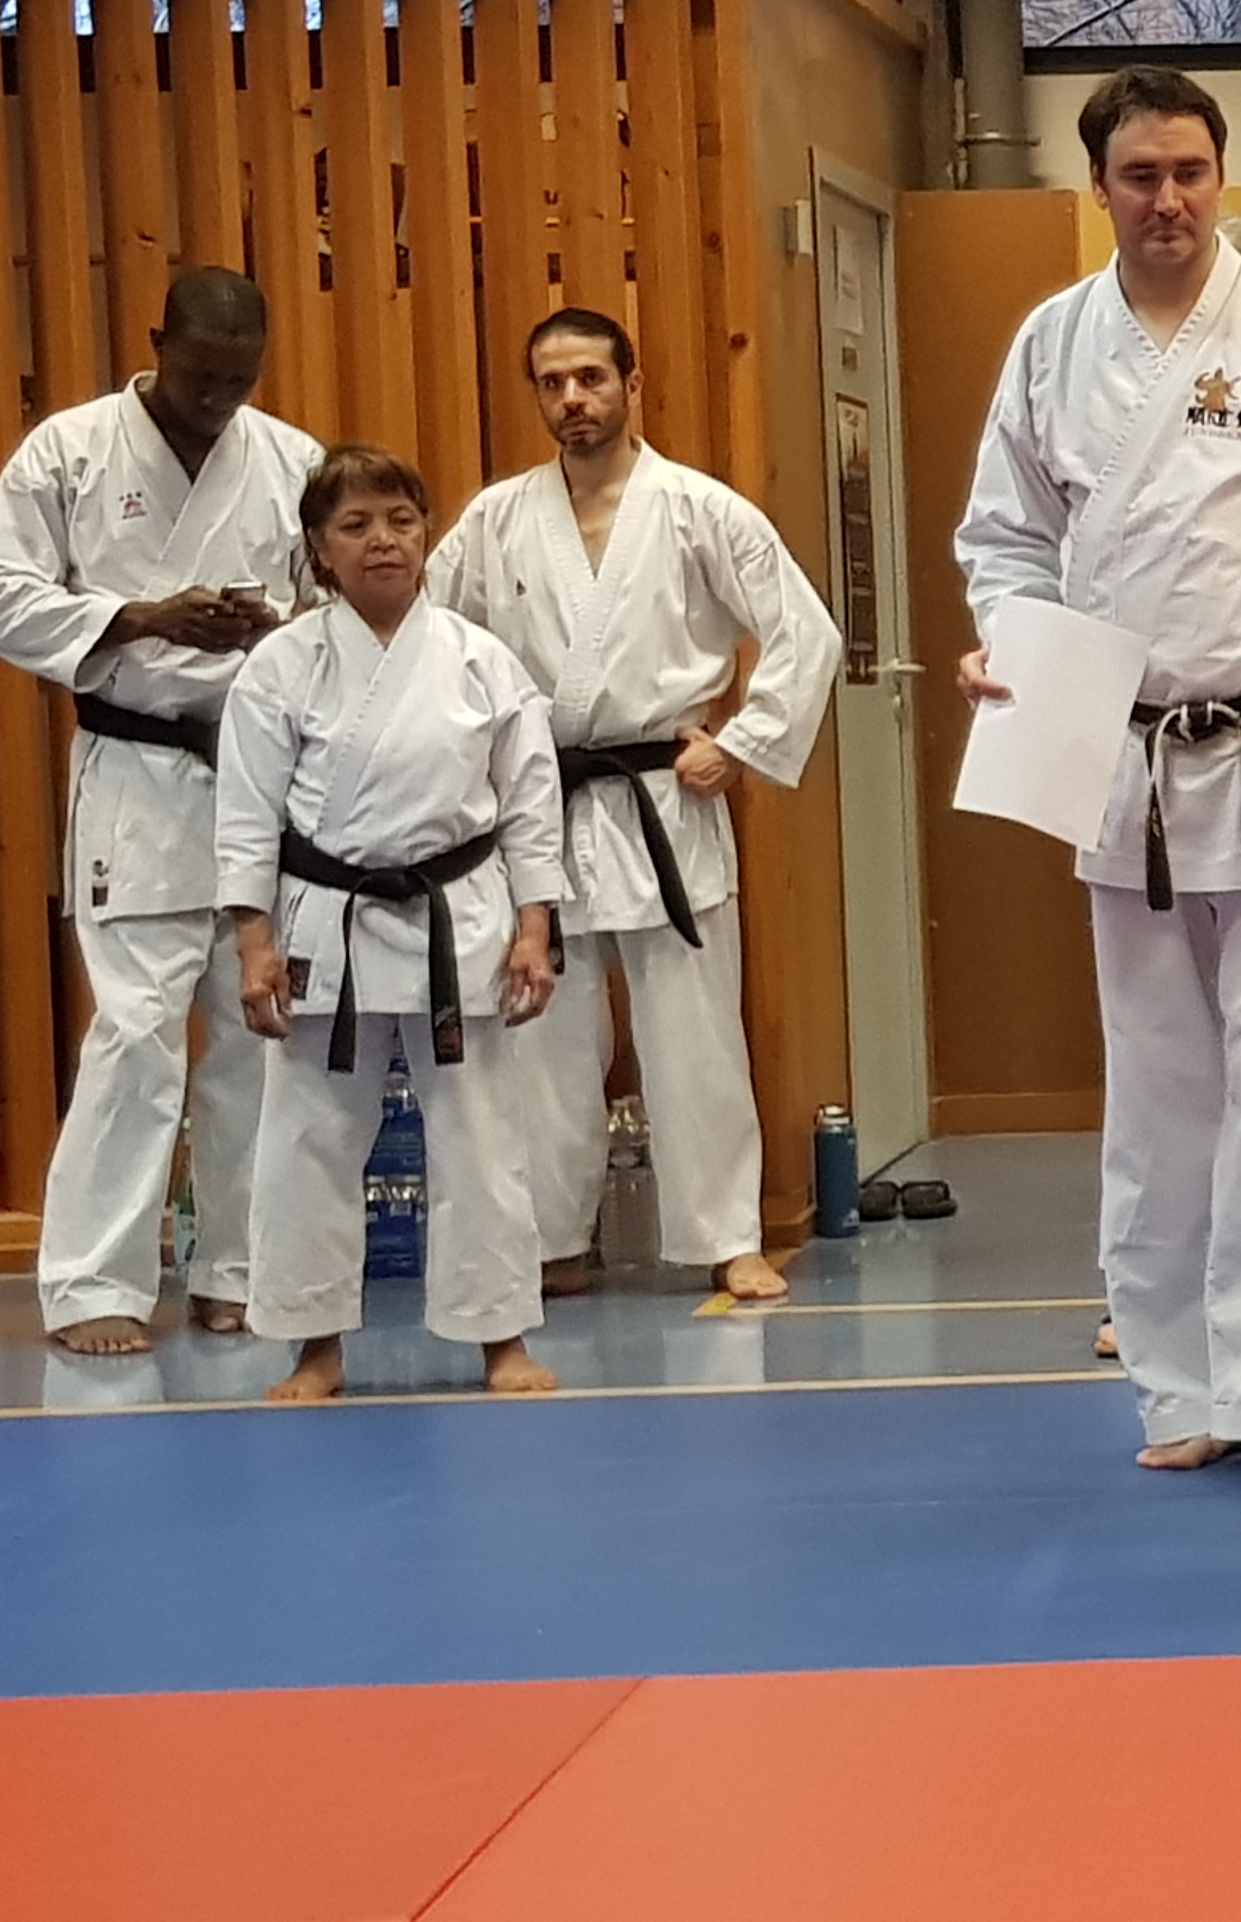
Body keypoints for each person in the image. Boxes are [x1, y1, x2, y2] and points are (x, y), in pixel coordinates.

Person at [954, 67, 1241, 1488]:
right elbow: (1005, 536)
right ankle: (1180, 1386)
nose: (1169, 200)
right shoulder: (1051, 342)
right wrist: (1013, 640)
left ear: (1221, 173)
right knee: (1156, 1094)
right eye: (1140, 176)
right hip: (1119, 752)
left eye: (1190, 171)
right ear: (1100, 189)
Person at [431, 308, 842, 1301]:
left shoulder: (699, 509)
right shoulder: (495, 520)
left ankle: (726, 1236)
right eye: (553, 382)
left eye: (591, 378)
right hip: (545, 799)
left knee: (693, 1029)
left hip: (664, 795)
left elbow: (806, 632)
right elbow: (435, 645)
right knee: (543, 1036)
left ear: (631, 383)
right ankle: (550, 1240)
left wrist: (739, 743)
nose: (573, 398)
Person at [0, 266, 325, 1355]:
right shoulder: (68, 452)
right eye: (201, 374)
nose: (219, 396)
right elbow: (0, 600)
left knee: (258, 1036)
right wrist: (140, 617)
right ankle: (93, 1282)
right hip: (136, 771)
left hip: (259, 773)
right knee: (134, 1035)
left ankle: (237, 1270)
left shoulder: (292, 460)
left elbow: (333, 613)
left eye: (240, 379)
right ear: (156, 341)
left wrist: (274, 634)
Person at [215, 447, 565, 1403]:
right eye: (356, 525)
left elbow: (530, 803)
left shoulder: (481, 660)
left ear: (427, 535)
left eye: (401, 521)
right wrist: (254, 942)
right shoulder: (280, 666)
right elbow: (246, 813)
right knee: (309, 1137)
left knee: (481, 1140)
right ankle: (314, 1345)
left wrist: (536, 928)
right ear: (318, 550)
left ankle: (500, 1337)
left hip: (460, 919)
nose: (383, 541)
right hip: (325, 921)